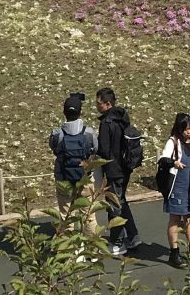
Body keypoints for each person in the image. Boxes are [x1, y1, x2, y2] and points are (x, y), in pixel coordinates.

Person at [94, 87, 142, 255]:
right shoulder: (122, 118)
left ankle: (118, 241)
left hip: (114, 169)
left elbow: (104, 151)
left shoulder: (107, 123)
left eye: (98, 103)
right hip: (126, 167)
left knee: (113, 205)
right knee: (121, 201)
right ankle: (133, 235)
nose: (96, 106)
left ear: (107, 104)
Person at [158, 113, 190, 268]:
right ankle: (174, 253)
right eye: (185, 129)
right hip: (177, 187)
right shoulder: (173, 143)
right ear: (179, 129)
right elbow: (162, 159)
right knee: (175, 220)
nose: (188, 132)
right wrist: (173, 162)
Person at [49, 92, 98, 232]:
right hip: (84, 178)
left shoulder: (57, 134)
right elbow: (95, 149)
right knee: (88, 216)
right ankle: (92, 249)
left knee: (65, 216)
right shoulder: (89, 132)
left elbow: (54, 149)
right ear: (80, 112)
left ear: (64, 112)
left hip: (63, 179)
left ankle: (68, 249)